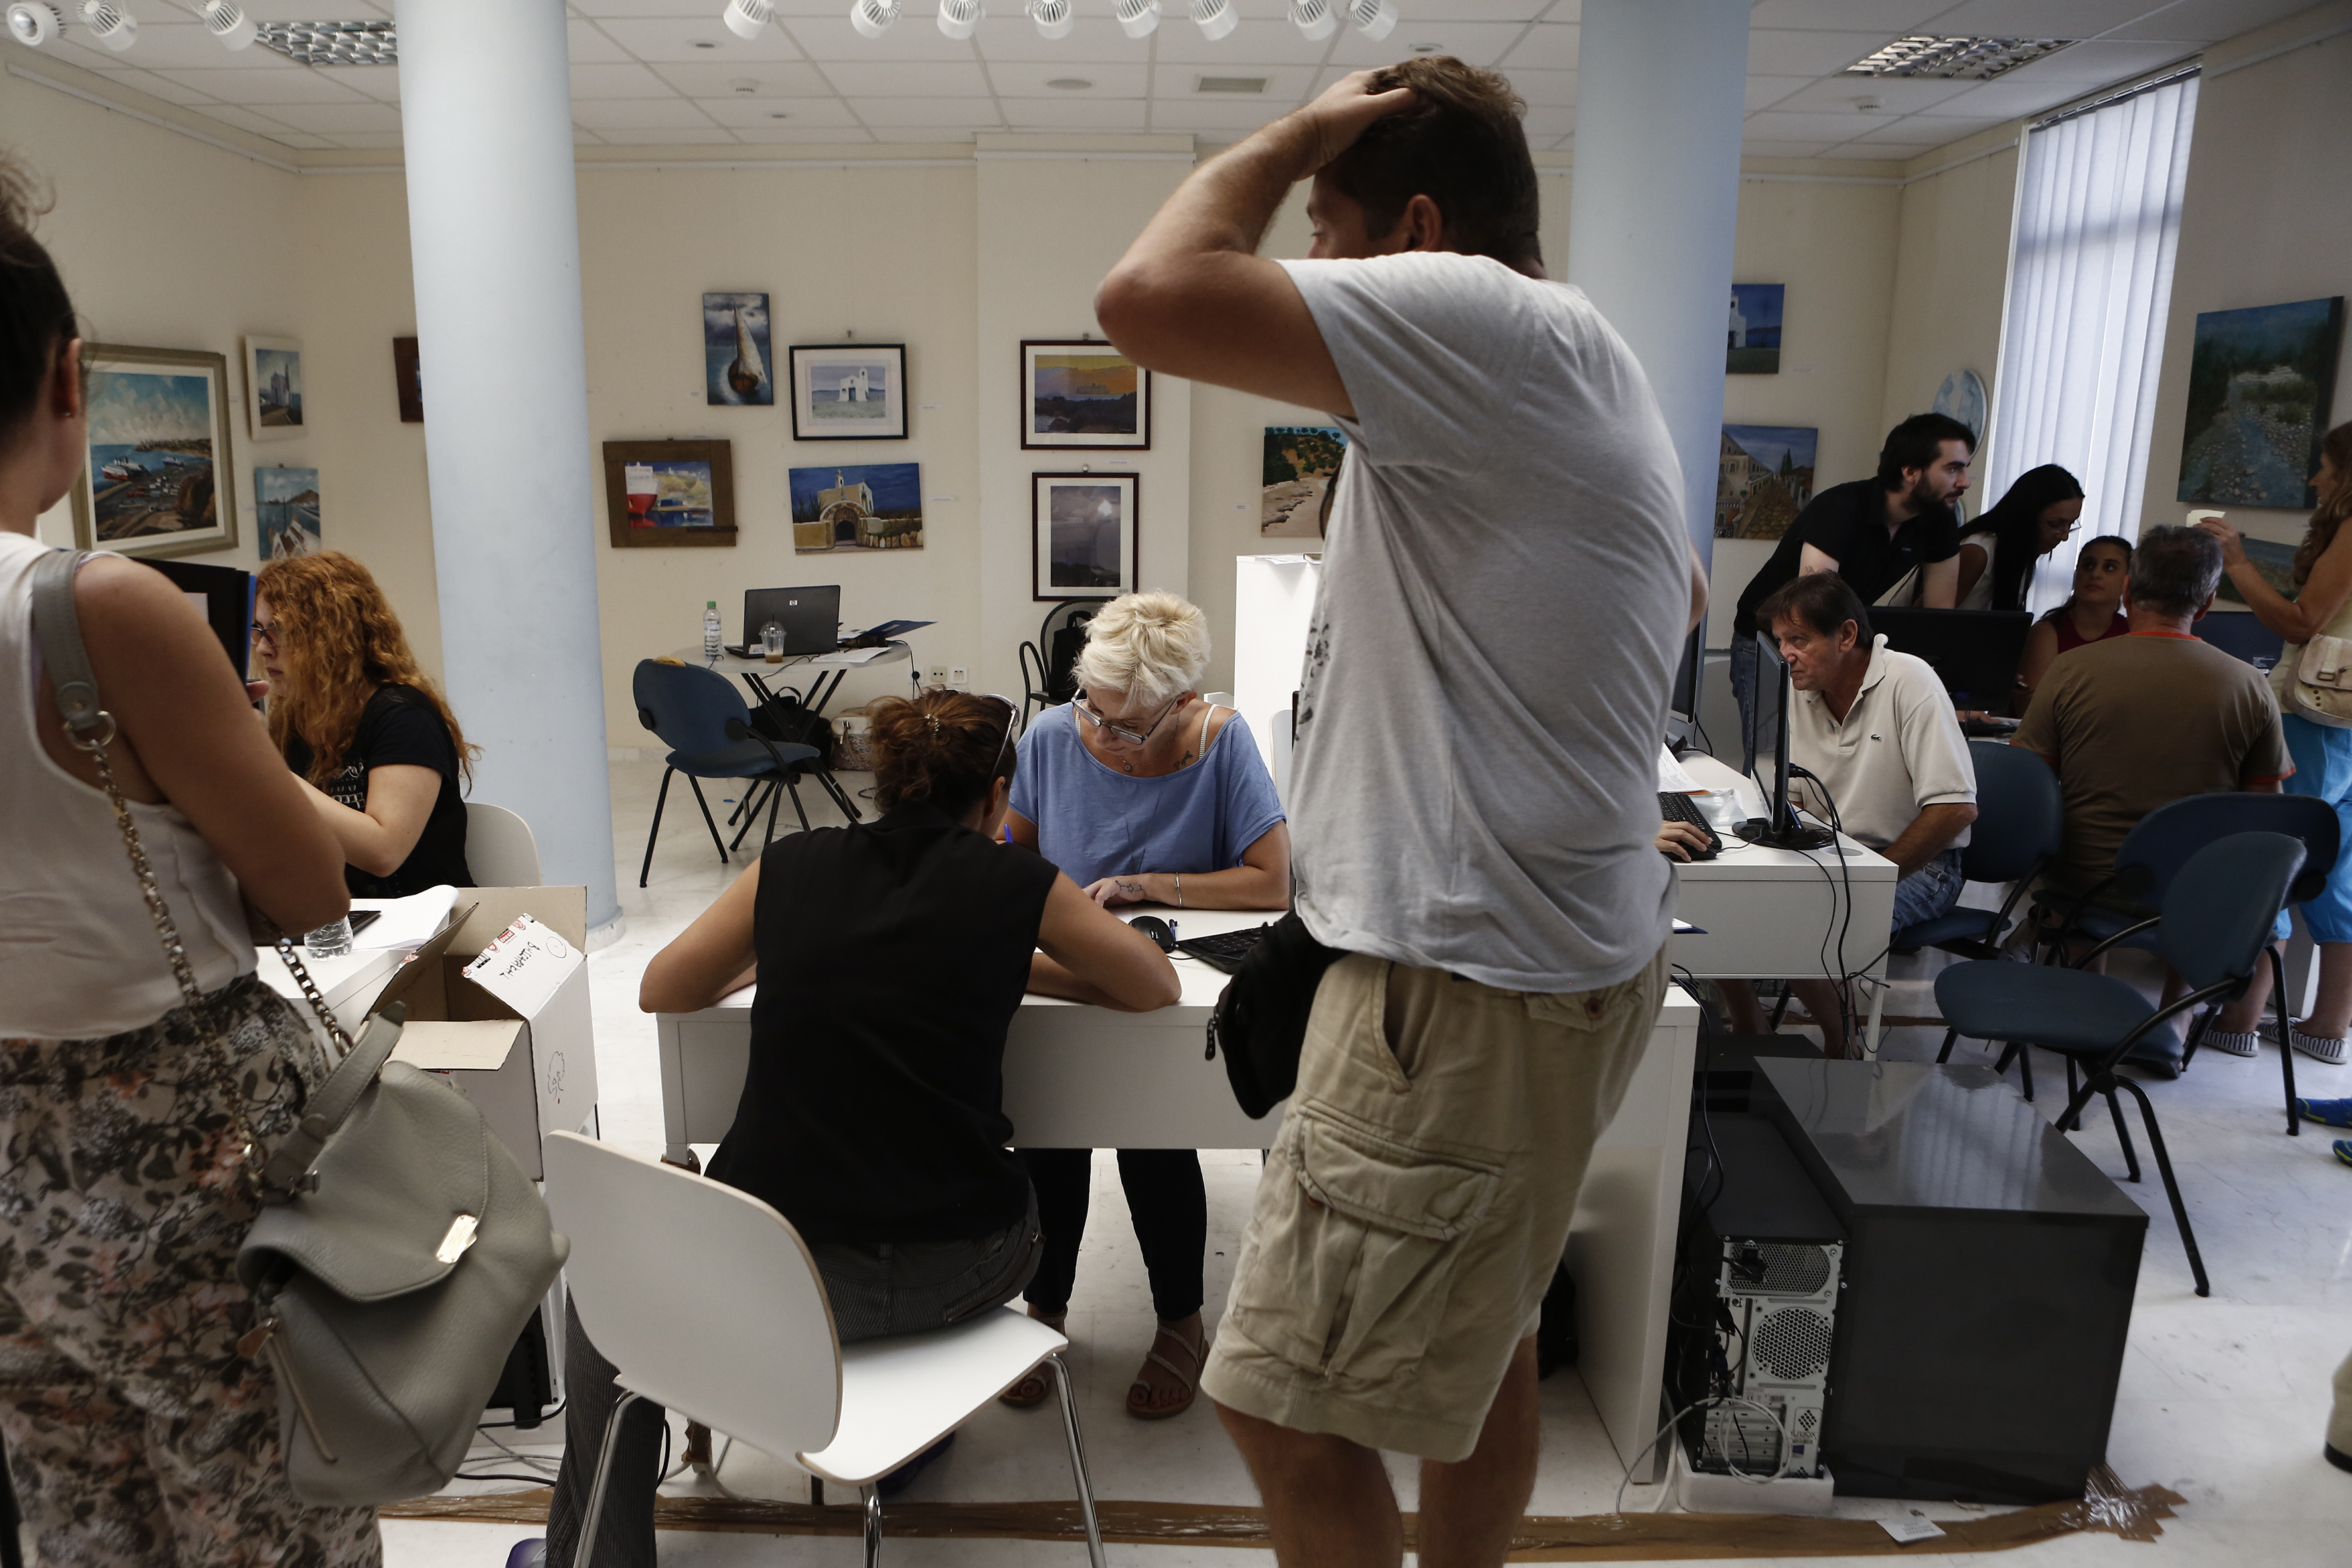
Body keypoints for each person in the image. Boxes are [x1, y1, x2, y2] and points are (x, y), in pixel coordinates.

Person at [1096, 57, 1701, 1567]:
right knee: (1484, 1344)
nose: (1306, 257)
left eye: (1324, 226)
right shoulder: (1581, 360)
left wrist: (1298, 129)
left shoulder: (1480, 317)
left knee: (1284, 1411)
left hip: (1458, 988)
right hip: (1534, 966)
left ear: (1418, 229)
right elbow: (1677, 592)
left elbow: (1148, 297)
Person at [545, 691, 1178, 1568]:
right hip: (957, 1268)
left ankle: (596, 1557)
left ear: (882, 780)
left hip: (779, 1277)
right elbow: (1153, 984)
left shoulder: (790, 866)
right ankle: (913, 1428)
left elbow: (663, 987)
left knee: (606, 1294)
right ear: (997, 797)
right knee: (1009, 1194)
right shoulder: (1016, 884)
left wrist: (777, 952)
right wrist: (1026, 964)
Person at [0, 158, 378, 1566]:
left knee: (78, 1515)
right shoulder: (95, 607)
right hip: (171, 1140)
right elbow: (312, 890)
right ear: (68, 377)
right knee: (267, 1517)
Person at [1002, 591, 1289, 1420]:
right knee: (1048, 1137)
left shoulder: (1221, 740)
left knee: (1155, 1141)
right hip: (1071, 972)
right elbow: (1011, 853)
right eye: (1094, 709)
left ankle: (1180, 1320)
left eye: (1129, 724)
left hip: (1170, 989)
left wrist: (1149, 884)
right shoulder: (1053, 735)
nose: (1104, 733)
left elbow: (1272, 881)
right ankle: (1044, 1308)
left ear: (1182, 703)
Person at [2012, 524, 2294, 1072]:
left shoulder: (2071, 670)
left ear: (2127, 592)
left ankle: (2082, 997)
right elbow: (2266, 813)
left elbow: (2030, 784)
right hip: (2191, 895)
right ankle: (2175, 1018)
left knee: (2071, 853)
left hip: (2085, 883)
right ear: (2206, 603)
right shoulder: (2248, 685)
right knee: (2204, 864)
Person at [1711, 574, 1978, 1058]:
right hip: (1835, 851)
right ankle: (1750, 1026)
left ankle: (1842, 1047)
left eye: (1799, 640)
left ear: (1847, 636)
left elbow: (1954, 808)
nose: (1786, 654)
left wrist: (1876, 877)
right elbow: (1788, 795)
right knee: (1727, 895)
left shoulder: (1909, 681)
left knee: (1805, 926)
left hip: (1921, 866)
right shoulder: (1797, 689)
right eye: (1780, 642)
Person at [2197, 420, 2352, 1065]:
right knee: (2341, 872)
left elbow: (2302, 619)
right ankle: (2328, 1028)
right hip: (2348, 730)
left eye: (2325, 469)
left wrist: (2236, 562)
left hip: (2314, 718)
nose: (2314, 480)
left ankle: (2240, 1016)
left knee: (2275, 858)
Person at [1731, 414, 1976, 770]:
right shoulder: (1841, 507)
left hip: (1837, 643)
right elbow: (1812, 608)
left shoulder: (1938, 520)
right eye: (1953, 469)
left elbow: (1938, 617)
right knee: (1774, 760)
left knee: (1832, 761)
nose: (1964, 482)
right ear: (1911, 472)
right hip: (1770, 641)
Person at [255, 551, 476, 898]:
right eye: (259, 630)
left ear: (329, 635)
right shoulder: (292, 719)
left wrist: (262, 766)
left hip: (425, 920)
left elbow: (383, 853)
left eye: (279, 631)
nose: (262, 649)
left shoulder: (404, 715)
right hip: (343, 917)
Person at [2015, 534, 2132, 708]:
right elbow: (2031, 708)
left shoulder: (2130, 632)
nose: (2095, 574)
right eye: (2088, 565)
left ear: (2128, 581)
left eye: (2109, 568)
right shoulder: (2047, 632)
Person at [1954, 463, 2084, 611]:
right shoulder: (1978, 552)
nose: (2064, 536)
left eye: (2071, 524)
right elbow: (1934, 615)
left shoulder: (2019, 551)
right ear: (2026, 516)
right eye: (2055, 524)